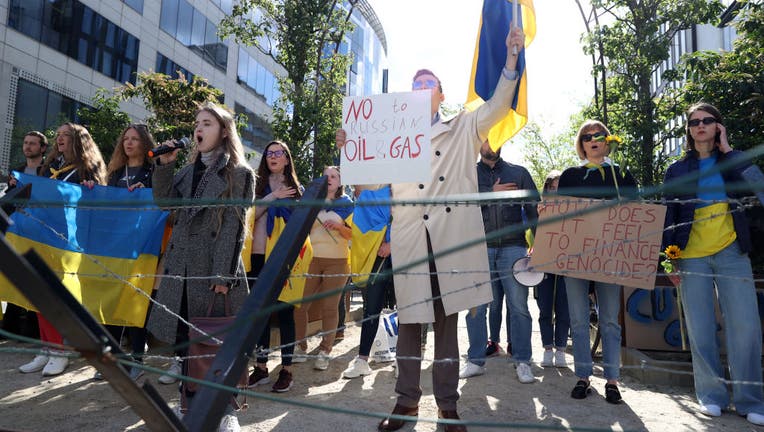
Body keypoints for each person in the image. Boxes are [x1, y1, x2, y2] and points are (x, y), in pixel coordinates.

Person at [337, 25, 526, 432]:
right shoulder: (389, 134)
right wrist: (349, 149)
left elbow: (497, 106)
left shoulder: (463, 126)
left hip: (450, 242)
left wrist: (511, 60)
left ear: (441, 94)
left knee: (445, 326)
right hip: (410, 242)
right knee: (408, 323)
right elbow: (368, 182)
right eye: (416, 82)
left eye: (430, 83)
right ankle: (405, 403)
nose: (422, 87)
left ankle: (447, 407)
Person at [146, 102, 255, 432]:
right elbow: (164, 202)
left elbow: (234, 228)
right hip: (180, 269)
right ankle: (186, 404)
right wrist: (164, 165)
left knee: (215, 344)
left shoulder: (239, 174)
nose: (198, 128)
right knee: (186, 341)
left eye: (206, 123)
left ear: (223, 131)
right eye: (197, 123)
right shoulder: (186, 171)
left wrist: (222, 274)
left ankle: (225, 411)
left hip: (212, 271)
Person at [662, 103, 764, 426]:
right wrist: (670, 260)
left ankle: (750, 400)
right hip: (691, 254)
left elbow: (759, 190)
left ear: (718, 127)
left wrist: (729, 150)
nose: (700, 125)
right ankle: (711, 396)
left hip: (733, 252)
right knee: (701, 326)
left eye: (707, 121)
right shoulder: (676, 171)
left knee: (746, 326)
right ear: (689, 130)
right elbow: (668, 216)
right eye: (694, 122)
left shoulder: (734, 160)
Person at [557, 119, 637, 404]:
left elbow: (635, 214)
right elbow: (559, 217)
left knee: (610, 320)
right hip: (576, 256)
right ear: (582, 144)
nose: (593, 139)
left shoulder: (622, 175)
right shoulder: (569, 176)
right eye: (587, 136)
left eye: (599, 135)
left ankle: (613, 380)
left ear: (607, 140)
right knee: (578, 320)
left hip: (611, 254)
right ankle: (583, 377)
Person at [18, 123, 106, 377]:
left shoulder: (87, 169)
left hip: (67, 241)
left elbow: (96, 203)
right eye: (58, 136)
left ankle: (60, 350)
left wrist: (91, 192)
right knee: (39, 293)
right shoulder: (50, 168)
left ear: (79, 140)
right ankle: (46, 348)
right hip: (42, 236)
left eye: (65, 135)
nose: (59, 140)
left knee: (58, 295)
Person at [461, 142, 538, 383]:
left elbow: (535, 210)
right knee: (476, 307)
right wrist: (490, 195)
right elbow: (457, 207)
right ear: (478, 142)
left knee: (519, 307)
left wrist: (541, 246)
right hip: (477, 248)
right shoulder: (466, 174)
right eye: (486, 138)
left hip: (514, 248)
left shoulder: (519, 173)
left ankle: (523, 361)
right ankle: (474, 360)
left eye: (496, 138)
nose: (491, 144)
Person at [92, 124, 157, 381]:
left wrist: (145, 195)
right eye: (126, 139)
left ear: (145, 143)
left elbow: (162, 204)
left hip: (141, 246)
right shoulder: (115, 172)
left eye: (135, 139)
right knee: (112, 300)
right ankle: (112, 358)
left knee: (135, 301)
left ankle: (138, 359)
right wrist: (92, 189)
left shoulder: (153, 172)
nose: (129, 143)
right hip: (115, 246)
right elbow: (104, 203)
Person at [246, 140, 302, 393]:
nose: (273, 157)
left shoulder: (297, 190)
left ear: (287, 159)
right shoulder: (256, 186)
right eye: (269, 153)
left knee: (285, 313)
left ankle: (287, 370)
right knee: (261, 314)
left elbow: (302, 227)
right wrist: (272, 197)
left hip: (285, 259)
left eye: (278, 153)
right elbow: (249, 216)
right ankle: (261, 367)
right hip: (257, 256)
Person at [293, 165, 352, 371]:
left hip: (338, 261)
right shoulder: (311, 202)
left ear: (340, 182)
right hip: (311, 260)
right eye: (325, 175)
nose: (329, 179)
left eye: (334, 176)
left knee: (330, 307)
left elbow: (354, 236)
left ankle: (325, 350)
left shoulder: (348, 204)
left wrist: (339, 227)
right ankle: (300, 346)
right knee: (300, 306)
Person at [342, 184, 394, 379]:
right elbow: (361, 225)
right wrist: (378, 240)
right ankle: (362, 360)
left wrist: (393, 243)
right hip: (376, 257)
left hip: (406, 254)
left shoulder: (414, 191)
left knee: (407, 308)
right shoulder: (370, 196)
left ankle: (404, 360)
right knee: (371, 309)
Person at [3, 131, 47, 340]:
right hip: (18, 231)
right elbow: (7, 203)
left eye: (33, 144)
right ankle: (11, 327)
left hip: (41, 233)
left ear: (43, 148)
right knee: (14, 278)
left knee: (36, 280)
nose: (27, 147)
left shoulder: (49, 172)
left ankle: (32, 330)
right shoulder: (16, 172)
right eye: (26, 143)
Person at [534, 170, 569, 368]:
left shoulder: (574, 209)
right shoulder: (540, 209)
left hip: (566, 264)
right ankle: (547, 348)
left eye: (559, 187)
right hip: (545, 263)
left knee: (564, 307)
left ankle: (561, 349)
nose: (555, 191)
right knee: (545, 306)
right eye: (552, 187)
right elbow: (532, 237)